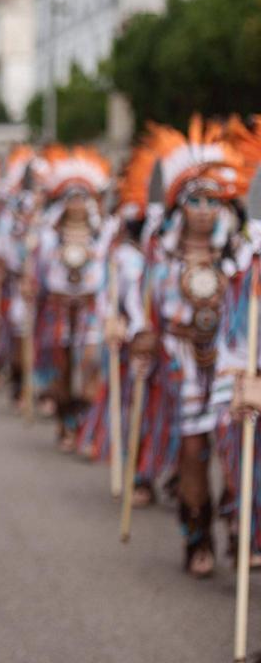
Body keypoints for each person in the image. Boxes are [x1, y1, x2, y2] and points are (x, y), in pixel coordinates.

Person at [128, 119, 259, 577]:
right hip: (179, 362)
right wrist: (142, 335)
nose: (205, 210)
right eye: (195, 201)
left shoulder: (242, 258)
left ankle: (240, 531)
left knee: (235, 452)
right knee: (192, 450)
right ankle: (197, 535)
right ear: (180, 207)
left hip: (227, 364)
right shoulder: (160, 256)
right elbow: (143, 304)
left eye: (214, 201)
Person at [24, 148, 110, 450]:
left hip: (90, 311)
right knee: (62, 371)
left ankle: (85, 425)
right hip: (58, 309)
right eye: (72, 197)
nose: (77, 203)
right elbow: (38, 273)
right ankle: (65, 423)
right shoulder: (49, 236)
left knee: (89, 368)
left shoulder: (103, 235)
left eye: (83, 197)